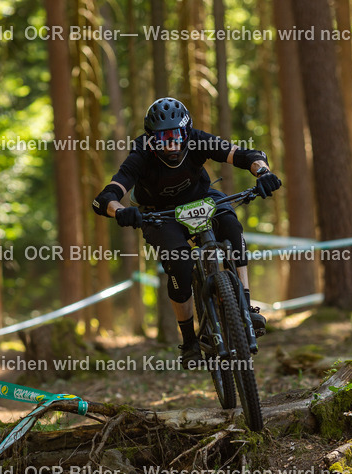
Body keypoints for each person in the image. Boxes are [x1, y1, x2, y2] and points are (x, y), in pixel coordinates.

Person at [92, 97, 281, 366]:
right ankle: (189, 341)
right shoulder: (142, 153)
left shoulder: (197, 139)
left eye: (176, 135)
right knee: (179, 263)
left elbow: (245, 155)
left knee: (231, 225)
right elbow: (107, 196)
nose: (171, 144)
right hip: (160, 213)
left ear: (186, 131)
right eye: (162, 138)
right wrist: (120, 211)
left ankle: (247, 307)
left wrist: (263, 173)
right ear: (151, 139)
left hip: (202, 197)